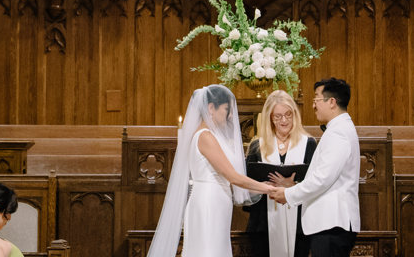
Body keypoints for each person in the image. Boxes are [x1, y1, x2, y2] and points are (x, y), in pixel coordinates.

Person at [148, 85, 275, 257]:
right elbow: (232, 176)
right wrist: (268, 188)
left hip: (215, 199)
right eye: (226, 109)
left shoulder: (205, 134)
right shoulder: (205, 136)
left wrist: (261, 187)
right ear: (210, 108)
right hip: (209, 201)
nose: (230, 115)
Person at [268, 78, 360, 257]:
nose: (313, 106)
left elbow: (322, 179)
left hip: (332, 223)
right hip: (330, 223)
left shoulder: (338, 132)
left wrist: (288, 194)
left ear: (331, 102)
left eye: (316, 99)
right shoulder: (339, 128)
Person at [244, 90, 319, 257]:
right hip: (263, 222)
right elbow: (245, 185)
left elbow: (317, 183)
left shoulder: (308, 144)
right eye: (277, 116)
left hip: (299, 223)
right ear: (270, 117)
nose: (284, 120)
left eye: (288, 114)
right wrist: (261, 187)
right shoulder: (258, 145)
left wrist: (292, 187)